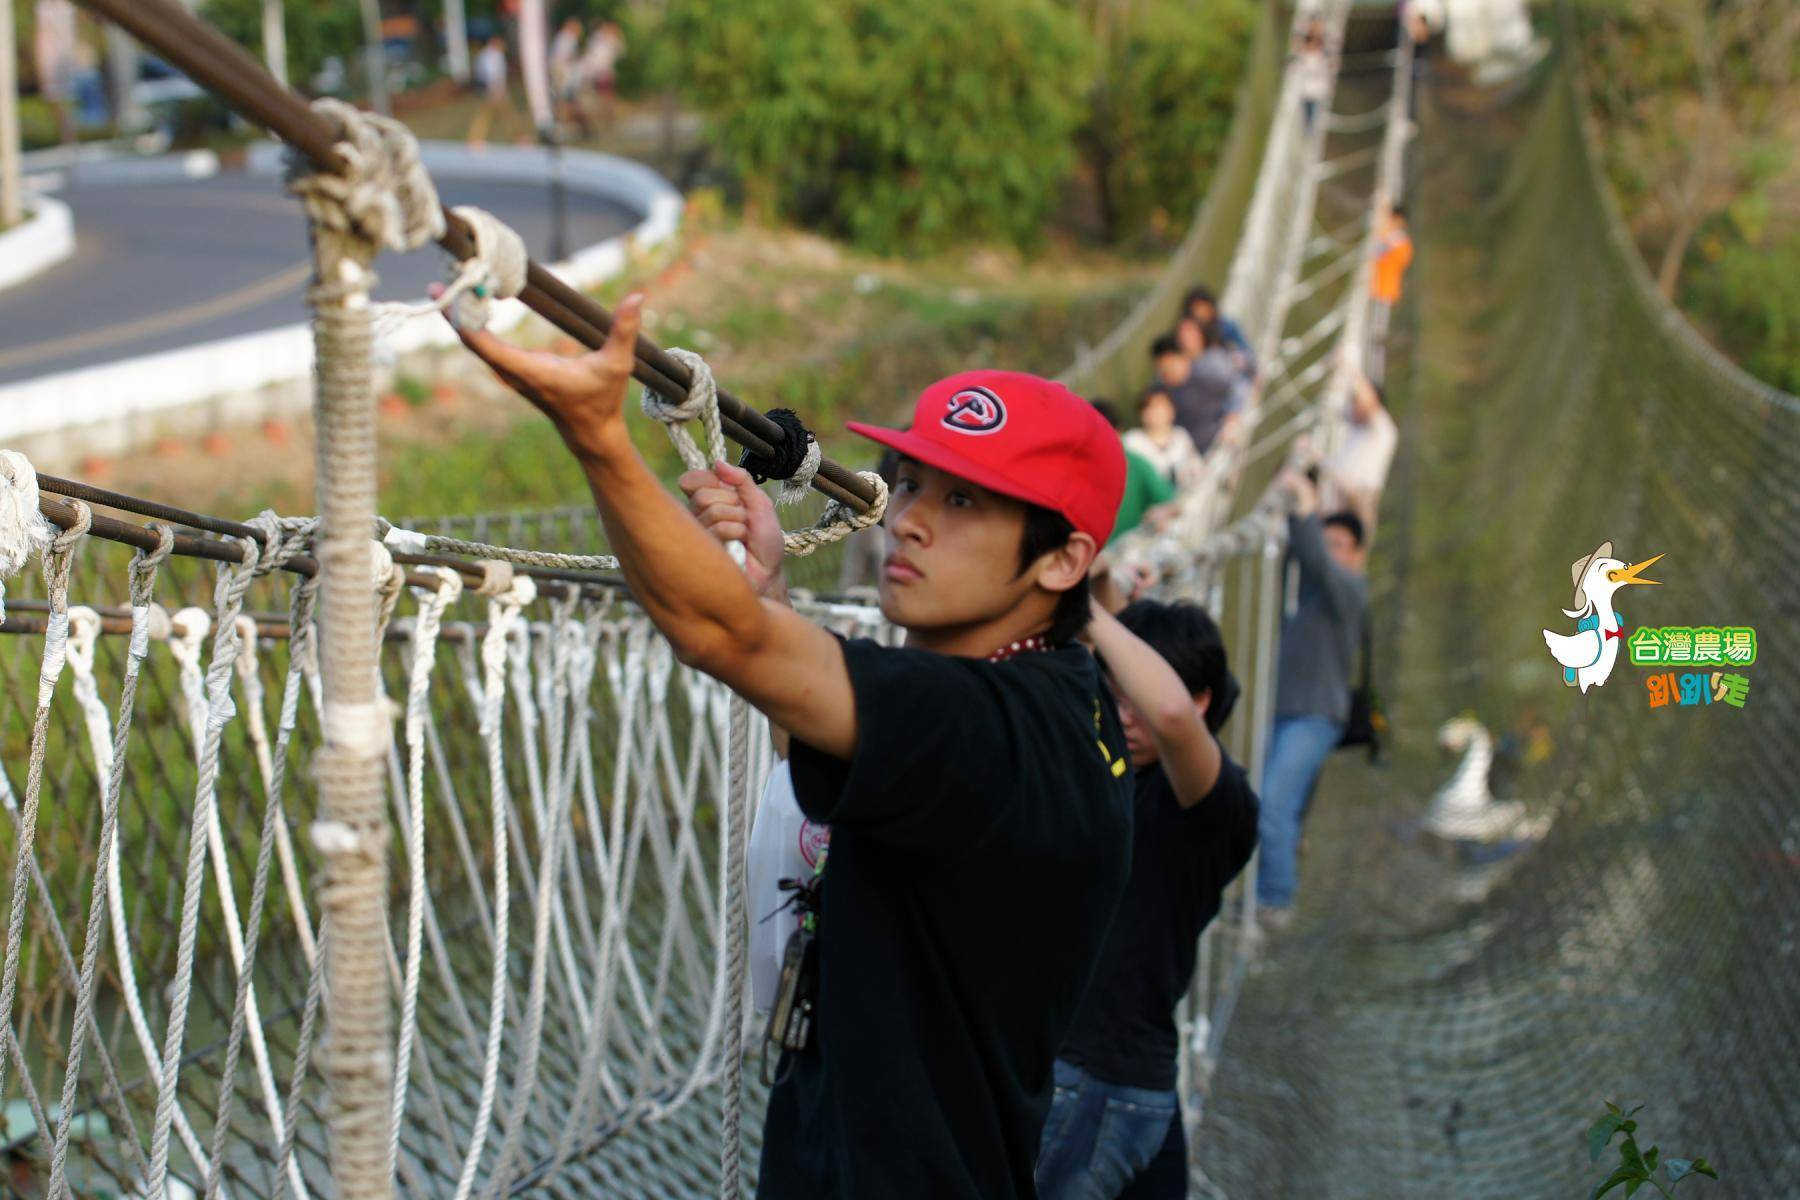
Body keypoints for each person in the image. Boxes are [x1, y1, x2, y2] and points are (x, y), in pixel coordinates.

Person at [447, 297, 1136, 1198]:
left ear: (1062, 561)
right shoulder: (1052, 700)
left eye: (964, 501)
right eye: (912, 480)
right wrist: (766, 594)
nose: (910, 519)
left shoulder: (987, 730)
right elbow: (845, 734)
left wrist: (597, 437)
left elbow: (720, 638)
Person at [1036, 598, 1259, 1200]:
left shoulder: (1215, 809)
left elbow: (1171, 714)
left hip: (1096, 1092)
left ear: (1203, 701)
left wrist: (1085, 606)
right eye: (1115, 696)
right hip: (1138, 1091)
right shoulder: (1103, 772)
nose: (1126, 716)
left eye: (1138, 699)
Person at [1256, 468, 1368, 924]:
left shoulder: (1350, 590)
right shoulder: (1305, 598)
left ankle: (1275, 900)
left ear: (1358, 555)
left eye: (1341, 545)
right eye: (1327, 542)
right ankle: (1270, 890)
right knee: (1279, 810)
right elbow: (1302, 557)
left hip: (1316, 716)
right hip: (1284, 712)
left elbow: (1316, 559)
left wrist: (1305, 505)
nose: (1330, 552)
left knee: (1271, 808)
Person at [1320, 359, 1398, 540]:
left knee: (1346, 549)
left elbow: (1368, 400)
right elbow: (1339, 410)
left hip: (1360, 500)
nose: (1353, 405)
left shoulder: (1382, 429)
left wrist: (1346, 365)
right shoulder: (1357, 426)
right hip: (1340, 498)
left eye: (1356, 401)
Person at [1093, 399, 1177, 544]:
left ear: (1118, 433)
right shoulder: (1075, 472)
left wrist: (1161, 513)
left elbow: (1171, 502)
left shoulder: (1136, 464)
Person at [1152, 332, 1244, 454]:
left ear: (1184, 358)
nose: (1168, 375)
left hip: (1222, 441)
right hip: (1193, 454)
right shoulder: (1162, 393)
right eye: (1163, 371)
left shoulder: (1209, 370)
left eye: (1170, 367)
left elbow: (1238, 386)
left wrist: (1232, 416)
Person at [1367, 203, 1413, 382]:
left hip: (1383, 288)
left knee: (1377, 332)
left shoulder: (1397, 240)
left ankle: (1374, 375)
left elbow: (1378, 253)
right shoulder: (1394, 239)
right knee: (1374, 329)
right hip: (1378, 287)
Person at [1123, 387, 1201, 488]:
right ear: (1142, 413)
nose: (1158, 412)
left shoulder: (1181, 436)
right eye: (1151, 407)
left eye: (1162, 406)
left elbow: (1198, 470)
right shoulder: (1132, 442)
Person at [1183, 286, 1255, 380]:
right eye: (1195, 310)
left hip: (1228, 371)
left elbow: (1246, 351)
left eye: (1202, 308)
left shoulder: (1226, 326)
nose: (1200, 313)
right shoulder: (1188, 336)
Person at [466, 36, 512, 147]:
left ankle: (517, 137)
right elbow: (491, 74)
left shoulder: (492, 54)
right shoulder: (491, 55)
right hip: (489, 88)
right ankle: (474, 139)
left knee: (502, 113)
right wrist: (496, 90)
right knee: (487, 114)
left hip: (492, 88)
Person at [580, 21, 626, 131]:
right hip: (596, 72)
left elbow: (620, 52)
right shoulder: (597, 39)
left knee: (607, 96)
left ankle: (608, 119)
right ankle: (601, 119)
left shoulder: (612, 41)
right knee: (600, 96)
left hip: (605, 72)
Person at [549, 17, 585, 129]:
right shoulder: (567, 39)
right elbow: (562, 58)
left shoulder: (565, 38)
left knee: (566, 99)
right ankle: (569, 123)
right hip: (563, 73)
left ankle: (572, 123)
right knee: (564, 99)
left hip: (565, 73)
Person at [1296, 28, 1331, 133]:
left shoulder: (1321, 58)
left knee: (1313, 115)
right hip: (1306, 90)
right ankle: (1307, 130)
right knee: (1307, 115)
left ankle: (1310, 131)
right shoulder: (1305, 56)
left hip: (1316, 91)